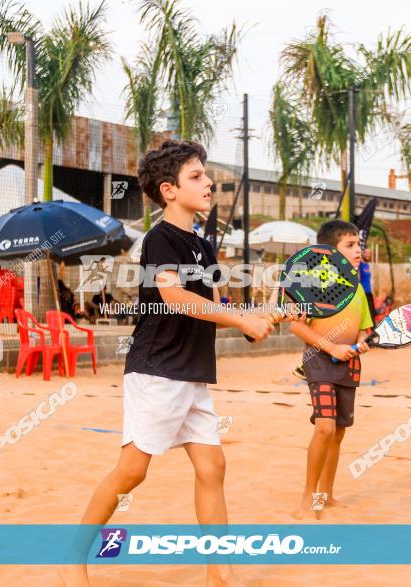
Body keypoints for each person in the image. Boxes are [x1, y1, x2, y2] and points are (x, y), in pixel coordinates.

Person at [63, 139, 276, 586]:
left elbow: (208, 310)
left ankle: (220, 572)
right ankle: (72, 557)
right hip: (157, 369)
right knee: (132, 472)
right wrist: (240, 318)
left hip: (191, 372)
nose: (208, 182)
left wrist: (252, 319)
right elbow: (174, 296)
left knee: (213, 467)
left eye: (206, 174)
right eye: (196, 176)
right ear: (169, 190)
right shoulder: (160, 238)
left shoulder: (203, 245)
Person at [289, 220, 373, 519]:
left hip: (349, 364)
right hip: (319, 361)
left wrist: (363, 342)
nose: (358, 250)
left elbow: (365, 329)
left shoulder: (360, 290)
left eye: (358, 244)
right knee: (324, 427)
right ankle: (307, 495)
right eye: (350, 245)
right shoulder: (313, 285)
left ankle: (327, 493)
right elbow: (297, 325)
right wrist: (332, 348)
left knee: (337, 432)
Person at [359, 247, 376, 322]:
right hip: (363, 292)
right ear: (362, 253)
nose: (368, 255)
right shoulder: (360, 265)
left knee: (372, 312)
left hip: (369, 291)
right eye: (366, 253)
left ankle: (373, 330)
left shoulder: (367, 265)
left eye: (369, 253)